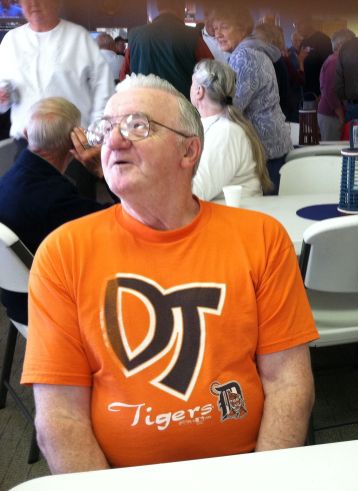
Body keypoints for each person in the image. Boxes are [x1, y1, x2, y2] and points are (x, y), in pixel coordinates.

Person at [22, 74, 318, 472]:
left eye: (137, 126)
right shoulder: (62, 254)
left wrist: (262, 480)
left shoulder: (262, 238)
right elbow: (60, 418)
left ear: (189, 151)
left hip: (243, 472)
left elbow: (289, 385)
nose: (113, 140)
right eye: (106, 128)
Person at [0, 97, 109, 325]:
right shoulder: (57, 199)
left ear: (26, 133)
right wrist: (102, 171)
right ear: (74, 140)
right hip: (47, 311)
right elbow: (123, 220)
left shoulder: (9, 178)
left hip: (15, 300)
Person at [0, 0, 113, 144]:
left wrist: (95, 136)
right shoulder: (11, 41)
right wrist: (4, 97)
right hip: (26, 141)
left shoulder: (79, 37)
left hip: (73, 141)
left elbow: (103, 88)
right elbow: (4, 90)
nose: (34, 3)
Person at [212, 3, 292, 194]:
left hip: (263, 151)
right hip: (270, 147)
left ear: (242, 28)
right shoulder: (253, 51)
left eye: (224, 27)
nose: (217, 34)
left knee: (263, 208)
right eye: (215, 28)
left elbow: (231, 107)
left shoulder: (244, 56)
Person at [190, 59, 272, 200]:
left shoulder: (225, 133)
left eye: (192, 83)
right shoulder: (217, 127)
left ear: (199, 91)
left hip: (237, 212)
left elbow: (196, 193)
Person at [121, 0, 212, 96]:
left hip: (143, 101)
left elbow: (123, 75)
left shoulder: (135, 35)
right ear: (182, 8)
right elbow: (211, 72)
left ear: (158, 7)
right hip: (182, 102)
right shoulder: (192, 36)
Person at [317, 29, 355, 141]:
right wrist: (341, 115)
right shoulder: (334, 61)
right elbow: (330, 92)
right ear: (340, 44)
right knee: (332, 149)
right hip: (331, 115)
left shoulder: (338, 60)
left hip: (333, 114)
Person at [294, 17, 332, 102]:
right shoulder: (303, 42)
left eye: (299, 24)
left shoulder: (323, 40)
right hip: (306, 91)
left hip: (319, 92)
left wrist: (323, 93)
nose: (297, 28)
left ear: (308, 22)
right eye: (295, 25)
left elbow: (329, 68)